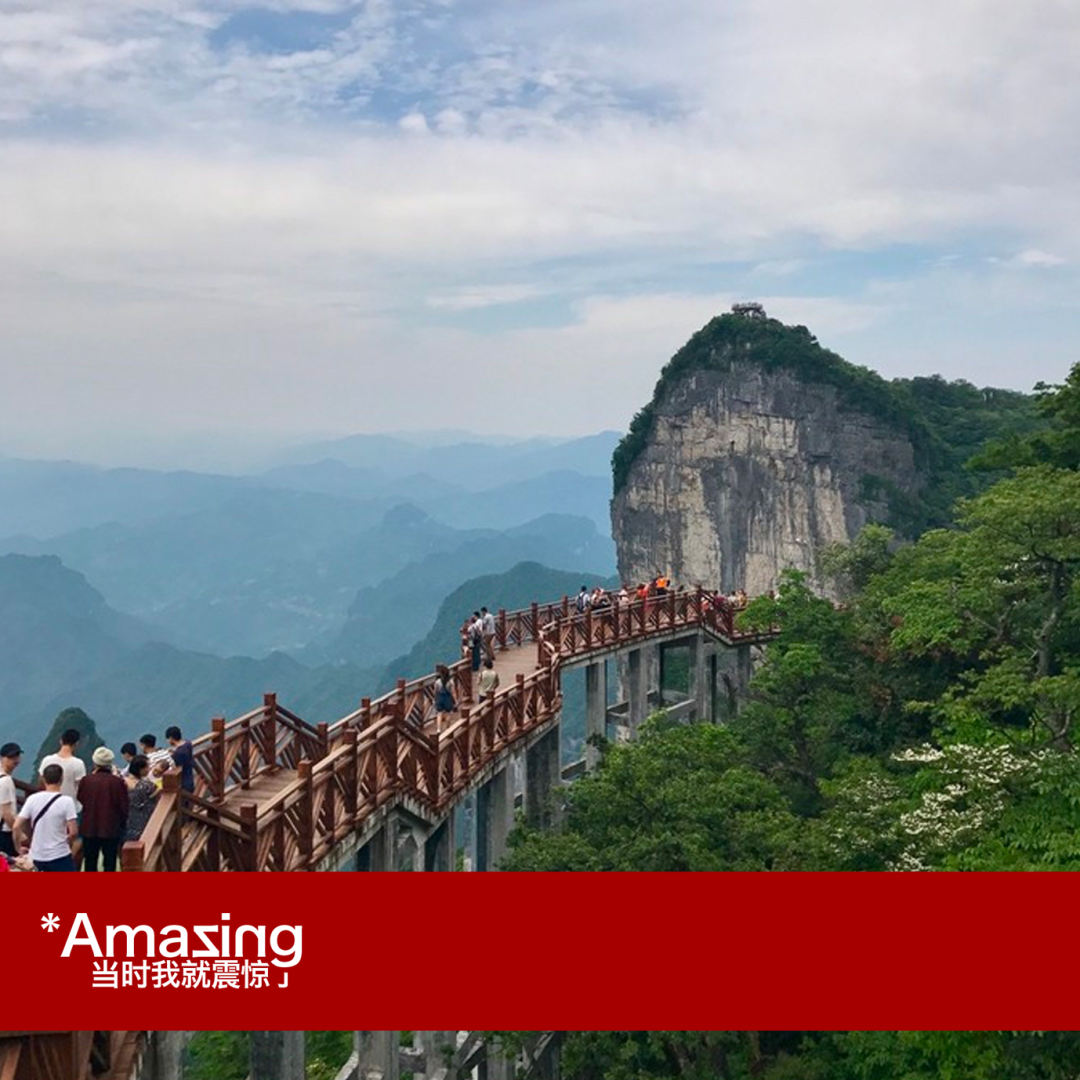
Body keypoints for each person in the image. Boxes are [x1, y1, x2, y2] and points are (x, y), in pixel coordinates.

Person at [15, 763, 78, 871]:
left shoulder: (32, 799)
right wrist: (68, 843)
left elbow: (16, 826)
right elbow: (73, 832)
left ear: (43, 779)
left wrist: (18, 848)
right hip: (60, 854)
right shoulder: (67, 801)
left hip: (37, 855)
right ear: (61, 779)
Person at [77, 747, 129, 872]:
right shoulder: (117, 782)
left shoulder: (86, 780)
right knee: (110, 861)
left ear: (95, 762)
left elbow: (80, 798)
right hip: (111, 827)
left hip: (89, 826)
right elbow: (124, 806)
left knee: (90, 861)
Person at [40, 728, 87, 809]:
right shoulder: (78, 763)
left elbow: (41, 781)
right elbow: (82, 787)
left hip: (49, 805)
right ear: (76, 744)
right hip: (72, 806)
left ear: (61, 741)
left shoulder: (47, 760)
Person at [124, 755, 158, 842]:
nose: (149, 769)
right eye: (147, 766)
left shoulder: (122, 782)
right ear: (140, 769)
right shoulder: (147, 786)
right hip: (145, 822)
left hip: (126, 822)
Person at [0, 742, 21, 858]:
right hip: (5, 831)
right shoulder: (6, 781)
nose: (16, 760)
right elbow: (7, 813)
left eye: (17, 756)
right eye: (11, 757)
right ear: (3, 758)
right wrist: (18, 834)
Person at [165, 726, 195, 794]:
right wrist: (174, 750)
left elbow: (177, 768)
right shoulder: (188, 743)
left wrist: (172, 755)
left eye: (168, 739)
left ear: (171, 738)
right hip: (190, 777)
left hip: (184, 783)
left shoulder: (178, 753)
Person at [434, 665, 456, 732]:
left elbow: (435, 691)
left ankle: (438, 729)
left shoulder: (437, 682)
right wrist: (455, 700)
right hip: (448, 698)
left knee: (439, 713)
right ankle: (447, 728)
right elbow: (453, 692)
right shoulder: (450, 682)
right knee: (448, 713)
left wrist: (435, 698)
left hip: (440, 698)